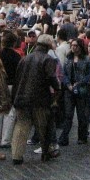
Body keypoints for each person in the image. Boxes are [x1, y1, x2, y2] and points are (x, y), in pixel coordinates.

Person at [11, 34, 60, 164]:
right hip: (40, 99)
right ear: (49, 45)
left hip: (21, 98)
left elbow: (18, 79)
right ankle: (45, 152)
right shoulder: (47, 59)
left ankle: (16, 155)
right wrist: (57, 88)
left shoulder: (25, 58)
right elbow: (51, 77)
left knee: (21, 126)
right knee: (43, 127)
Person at [58, 39, 90, 146]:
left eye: (76, 45)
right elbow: (63, 73)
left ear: (80, 47)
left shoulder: (86, 59)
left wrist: (79, 83)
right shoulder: (68, 59)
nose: (73, 47)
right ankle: (64, 137)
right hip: (69, 90)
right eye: (72, 45)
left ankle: (82, 137)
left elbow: (89, 74)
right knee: (68, 114)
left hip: (81, 89)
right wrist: (68, 85)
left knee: (82, 115)